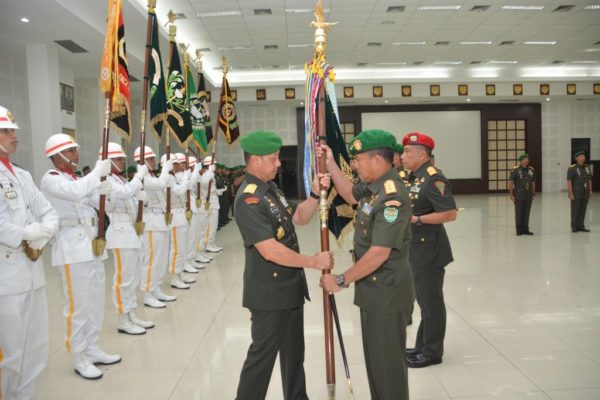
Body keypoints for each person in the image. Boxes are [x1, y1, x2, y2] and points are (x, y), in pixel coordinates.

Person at [234, 130, 333, 400]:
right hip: (269, 294)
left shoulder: (271, 190)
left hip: (290, 288)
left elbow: (298, 216)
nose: (279, 163)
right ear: (255, 160)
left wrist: (314, 194)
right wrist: (313, 261)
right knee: (261, 361)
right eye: (274, 158)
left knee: (294, 357)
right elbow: (269, 250)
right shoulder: (249, 198)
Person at [320, 129, 414, 400]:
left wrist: (340, 280)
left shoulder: (391, 196)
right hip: (374, 291)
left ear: (377, 160)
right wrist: (331, 164)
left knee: (388, 369)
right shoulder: (373, 188)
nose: (355, 165)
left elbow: (379, 253)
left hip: (387, 292)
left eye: (358, 159)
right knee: (376, 363)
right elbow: (350, 194)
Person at [41, 133, 121, 380]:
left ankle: (92, 347)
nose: (77, 154)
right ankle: (79, 356)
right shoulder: (51, 179)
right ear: (58, 155)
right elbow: (75, 192)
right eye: (72, 150)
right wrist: (96, 174)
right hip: (70, 247)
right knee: (78, 306)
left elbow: (94, 203)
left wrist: (104, 191)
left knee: (95, 301)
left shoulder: (75, 177)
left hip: (90, 243)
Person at [0, 106, 59, 399]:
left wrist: (45, 230)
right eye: (6, 131)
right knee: (10, 350)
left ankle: (26, 394)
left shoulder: (22, 174)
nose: (14, 136)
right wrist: (24, 233)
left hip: (32, 271)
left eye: (14, 131)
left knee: (35, 343)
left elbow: (45, 208)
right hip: (6, 275)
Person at [400, 132, 457, 368]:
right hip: (415, 250)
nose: (402, 156)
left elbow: (449, 214)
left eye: (407, 152)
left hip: (429, 251)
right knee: (424, 301)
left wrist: (416, 220)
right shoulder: (414, 178)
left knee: (431, 303)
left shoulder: (434, 179)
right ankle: (422, 346)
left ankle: (433, 352)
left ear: (423, 154)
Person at [101, 142, 155, 335]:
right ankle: (122, 319)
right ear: (107, 161)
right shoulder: (106, 180)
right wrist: (138, 178)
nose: (122, 162)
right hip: (119, 231)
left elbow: (130, 200)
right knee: (123, 279)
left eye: (123, 159)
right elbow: (122, 195)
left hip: (131, 230)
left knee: (133, 277)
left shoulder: (121, 180)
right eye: (117, 159)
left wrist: (143, 200)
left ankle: (131, 313)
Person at [134, 146, 176, 308]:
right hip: (151, 222)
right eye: (150, 159)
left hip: (160, 221)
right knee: (151, 259)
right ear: (141, 161)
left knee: (160, 259)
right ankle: (147, 292)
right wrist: (166, 170)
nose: (154, 161)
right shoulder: (142, 177)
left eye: (153, 158)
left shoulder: (150, 175)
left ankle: (156, 287)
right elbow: (159, 185)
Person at [200, 156, 225, 253]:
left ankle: (211, 242)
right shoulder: (206, 174)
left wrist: (218, 191)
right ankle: (207, 243)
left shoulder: (210, 174)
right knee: (210, 224)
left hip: (214, 200)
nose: (214, 166)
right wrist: (210, 171)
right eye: (213, 164)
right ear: (208, 165)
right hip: (209, 202)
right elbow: (204, 183)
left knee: (214, 224)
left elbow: (211, 189)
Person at [508, 153, 535, 235]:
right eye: (525, 159)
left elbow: (533, 182)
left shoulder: (531, 169)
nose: (527, 160)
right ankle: (519, 230)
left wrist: (533, 192)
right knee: (519, 213)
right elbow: (510, 183)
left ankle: (525, 229)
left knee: (527, 213)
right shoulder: (515, 170)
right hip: (519, 195)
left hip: (528, 195)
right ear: (521, 161)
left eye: (527, 159)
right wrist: (511, 195)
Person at [567, 151, 592, 232]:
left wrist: (590, 190)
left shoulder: (587, 167)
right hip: (576, 192)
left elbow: (589, 179)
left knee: (583, 209)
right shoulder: (572, 168)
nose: (583, 158)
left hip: (585, 191)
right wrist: (571, 193)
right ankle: (574, 227)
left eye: (583, 156)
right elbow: (569, 181)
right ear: (576, 158)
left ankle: (581, 226)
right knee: (575, 209)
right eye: (581, 156)